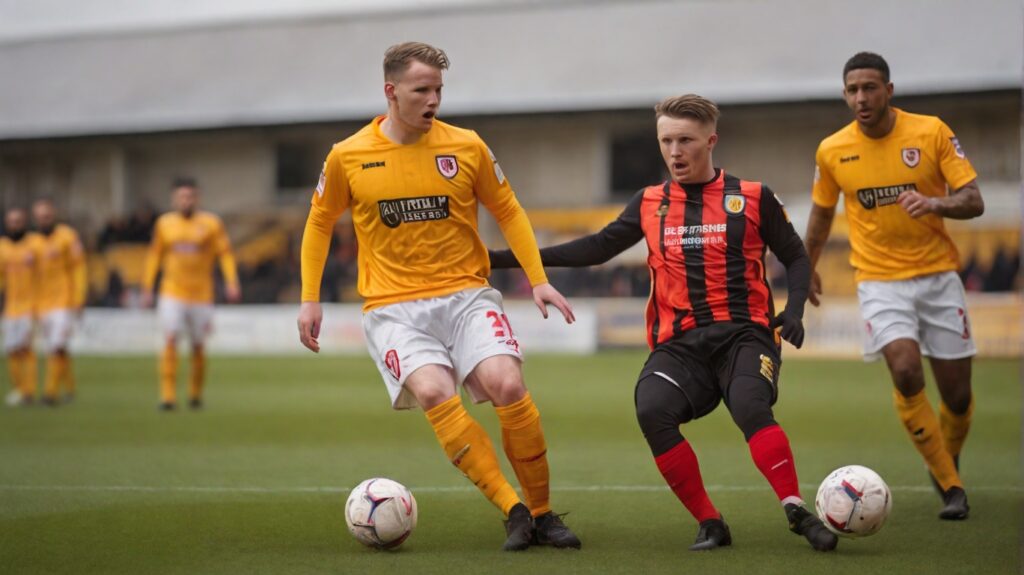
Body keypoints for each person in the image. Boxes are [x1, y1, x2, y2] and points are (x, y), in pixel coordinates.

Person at [491, 94, 837, 552]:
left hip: (745, 336)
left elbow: (794, 256)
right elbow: (597, 248)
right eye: (666, 141)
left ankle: (796, 510)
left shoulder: (753, 197)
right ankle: (711, 523)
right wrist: (499, 259)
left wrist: (792, 311)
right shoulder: (650, 202)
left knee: (751, 407)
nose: (675, 151)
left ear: (710, 140)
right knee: (651, 409)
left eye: (686, 140)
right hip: (680, 347)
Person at [296, 42, 581, 551]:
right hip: (392, 308)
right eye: (422, 90)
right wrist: (309, 296)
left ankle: (542, 512)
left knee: (507, 384)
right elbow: (320, 221)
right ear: (391, 92)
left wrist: (537, 278)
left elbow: (509, 209)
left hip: (466, 295)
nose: (433, 100)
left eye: (439, 90)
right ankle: (512, 510)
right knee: (432, 392)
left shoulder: (467, 146)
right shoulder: (348, 155)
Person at [804, 52, 983, 520]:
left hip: (938, 277)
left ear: (889, 90)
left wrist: (935, 203)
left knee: (958, 397)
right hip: (879, 280)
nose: (861, 98)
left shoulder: (930, 132)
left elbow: (973, 199)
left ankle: (948, 457)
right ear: (845, 95)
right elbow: (823, 213)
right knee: (905, 370)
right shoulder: (832, 149)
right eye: (852, 90)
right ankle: (950, 483)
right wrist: (807, 265)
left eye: (869, 87)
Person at [142, 178, 241, 410]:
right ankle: (167, 397)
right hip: (172, 292)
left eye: (190, 196)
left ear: (197, 199)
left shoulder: (211, 224)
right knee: (170, 339)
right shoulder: (164, 224)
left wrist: (232, 282)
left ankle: (195, 394)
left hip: (201, 294)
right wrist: (147, 287)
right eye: (182, 197)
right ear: (174, 199)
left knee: (198, 344)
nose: (186, 201)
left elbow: (225, 254)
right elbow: (154, 257)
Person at [32, 198, 87, 405]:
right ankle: (70, 388)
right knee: (56, 348)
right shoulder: (33, 242)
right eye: (39, 217)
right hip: (42, 304)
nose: (43, 220)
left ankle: (50, 393)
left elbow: (79, 268)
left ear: (53, 214)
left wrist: (79, 297)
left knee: (56, 346)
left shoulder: (67, 236)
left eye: (46, 215)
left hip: (63, 301)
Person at [0, 207, 40, 406]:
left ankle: (29, 391)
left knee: (26, 348)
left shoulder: (34, 244)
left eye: (18, 221)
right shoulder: (3, 247)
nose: (15, 225)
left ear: (24, 222)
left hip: (29, 307)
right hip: (10, 307)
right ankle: (19, 388)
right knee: (11, 350)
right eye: (11, 221)